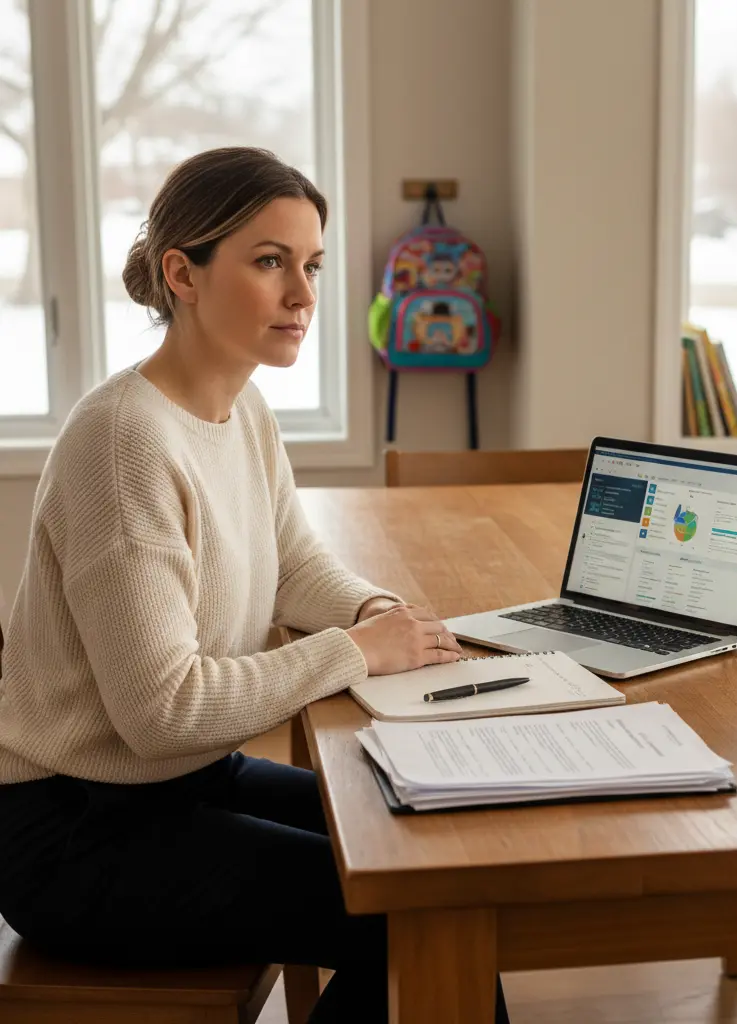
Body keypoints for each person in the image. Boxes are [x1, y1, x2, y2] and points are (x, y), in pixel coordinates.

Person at [0, 146, 510, 1023]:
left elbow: (292, 561)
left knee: (434, 866)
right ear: (182, 274)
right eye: (270, 263)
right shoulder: (125, 444)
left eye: (310, 265)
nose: (304, 296)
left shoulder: (240, 406)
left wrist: (370, 609)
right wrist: (352, 652)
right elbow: (160, 712)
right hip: (76, 834)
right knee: (412, 916)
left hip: (183, 782)